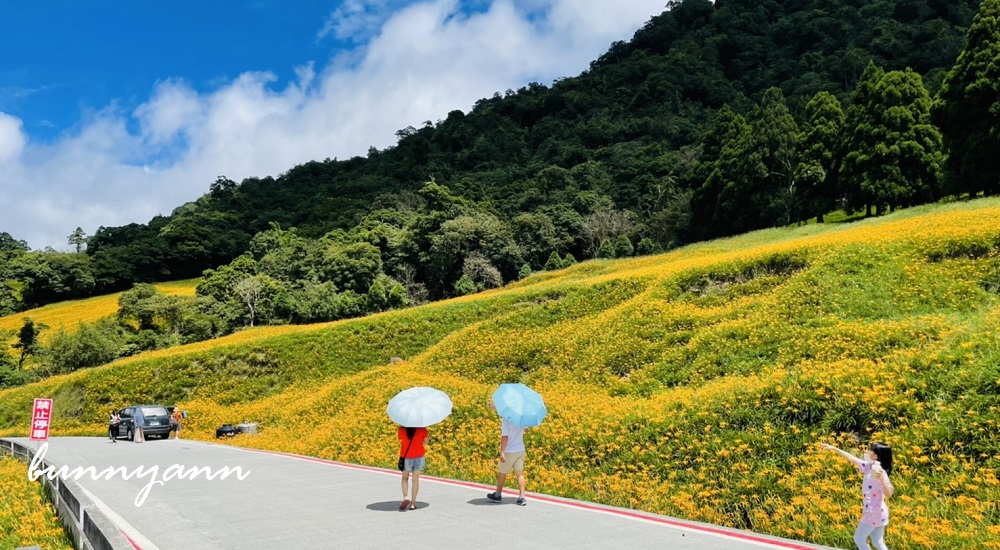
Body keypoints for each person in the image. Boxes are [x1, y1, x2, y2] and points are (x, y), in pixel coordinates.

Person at [821, 442, 894, 550]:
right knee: (877, 541)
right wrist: (834, 448)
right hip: (879, 512)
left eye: (871, 451)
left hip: (873, 512)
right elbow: (852, 459)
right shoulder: (870, 467)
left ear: (876, 456)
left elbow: (888, 494)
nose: (867, 452)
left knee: (859, 539)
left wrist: (882, 480)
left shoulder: (880, 472)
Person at [486, 402, 528, 506]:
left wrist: (502, 452)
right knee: (519, 473)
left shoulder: (506, 419)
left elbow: (505, 437)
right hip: (520, 449)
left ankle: (498, 494)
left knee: (502, 473)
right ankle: (522, 497)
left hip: (509, 450)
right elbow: (526, 429)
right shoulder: (522, 418)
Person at [398, 426, 428, 511]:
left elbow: (400, 439)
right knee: (415, 480)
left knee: (404, 478)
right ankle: (413, 504)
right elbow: (426, 441)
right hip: (419, 457)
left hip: (407, 457)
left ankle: (406, 497)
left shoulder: (401, 429)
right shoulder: (422, 429)